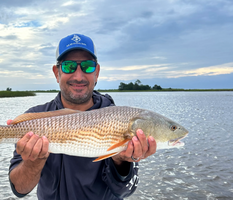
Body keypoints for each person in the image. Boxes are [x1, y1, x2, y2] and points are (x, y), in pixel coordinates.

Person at [8, 33, 157, 200]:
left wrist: (121, 161)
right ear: (56, 73)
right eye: (69, 66)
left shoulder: (120, 119)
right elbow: (20, 189)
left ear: (97, 72)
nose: (78, 76)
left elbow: (125, 191)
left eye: (87, 66)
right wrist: (32, 162)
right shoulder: (35, 119)